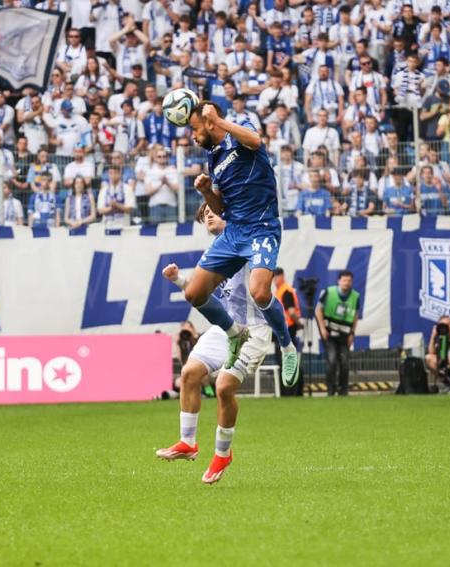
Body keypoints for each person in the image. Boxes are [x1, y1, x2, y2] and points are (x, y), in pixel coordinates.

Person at [184, 101, 299, 389]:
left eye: (195, 129)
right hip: (234, 232)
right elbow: (220, 209)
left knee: (260, 293)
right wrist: (206, 191)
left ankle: (287, 347)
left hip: (261, 228)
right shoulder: (214, 158)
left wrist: (218, 121)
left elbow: (256, 141)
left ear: (210, 122)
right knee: (194, 293)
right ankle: (234, 333)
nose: (192, 136)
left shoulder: (240, 129)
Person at [156, 203, 273, 485]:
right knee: (189, 373)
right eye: (204, 213)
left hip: (254, 330)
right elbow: (209, 300)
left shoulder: (250, 241)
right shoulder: (215, 254)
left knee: (223, 387)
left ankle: (222, 453)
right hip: (226, 328)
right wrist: (180, 281)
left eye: (213, 210)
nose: (208, 214)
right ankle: (188, 442)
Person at [315, 271, 361, 396]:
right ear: (339, 281)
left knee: (345, 362)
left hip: (344, 335)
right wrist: (322, 328)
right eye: (344, 280)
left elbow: (356, 315)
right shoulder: (328, 292)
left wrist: (352, 333)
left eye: (349, 281)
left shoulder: (355, 296)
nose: (347, 283)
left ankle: (343, 390)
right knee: (332, 360)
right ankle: (331, 389)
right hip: (329, 334)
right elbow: (318, 309)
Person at [273, 268, 303, 396]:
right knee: (290, 361)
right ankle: (292, 392)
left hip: (286, 332)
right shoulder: (282, 291)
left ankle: (290, 392)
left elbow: (291, 312)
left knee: (287, 362)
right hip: (285, 330)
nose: (274, 280)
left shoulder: (285, 291)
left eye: (275, 277)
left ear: (281, 276)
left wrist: (299, 323)